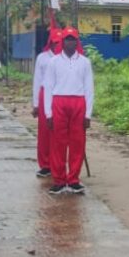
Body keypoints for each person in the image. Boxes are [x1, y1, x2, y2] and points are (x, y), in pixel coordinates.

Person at [43, 27, 93, 195]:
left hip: (78, 102)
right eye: (67, 39)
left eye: (73, 39)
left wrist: (88, 114)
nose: (70, 42)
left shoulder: (84, 62)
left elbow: (89, 88)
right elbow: (48, 87)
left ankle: (73, 180)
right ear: (62, 42)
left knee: (77, 143)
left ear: (77, 42)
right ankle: (59, 180)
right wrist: (48, 113)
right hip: (59, 102)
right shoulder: (54, 62)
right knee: (58, 143)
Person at [32, 27, 64, 178]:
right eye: (54, 42)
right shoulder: (42, 58)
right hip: (45, 93)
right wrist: (36, 104)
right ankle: (45, 164)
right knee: (44, 131)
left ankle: (58, 163)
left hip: (60, 95)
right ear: (50, 42)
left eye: (59, 42)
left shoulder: (65, 58)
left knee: (58, 131)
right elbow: (37, 80)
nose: (56, 45)